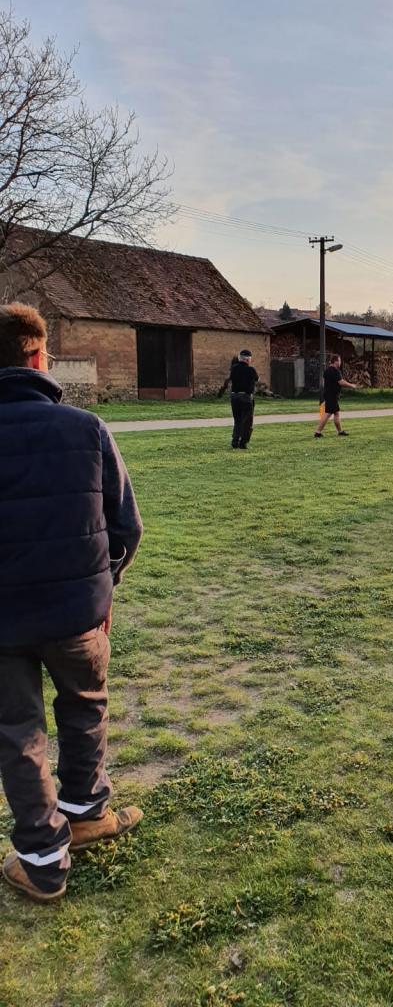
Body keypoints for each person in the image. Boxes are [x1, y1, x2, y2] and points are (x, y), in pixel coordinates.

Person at [0, 303, 144, 902]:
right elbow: (126, 526)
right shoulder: (87, 428)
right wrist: (104, 585)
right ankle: (85, 810)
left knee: (17, 733)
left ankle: (43, 858)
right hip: (78, 610)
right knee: (85, 708)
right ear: (39, 356)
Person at [314, 353, 357, 437]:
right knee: (328, 413)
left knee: (336, 413)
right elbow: (341, 382)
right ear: (335, 361)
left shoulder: (327, 371)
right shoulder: (335, 371)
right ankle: (318, 432)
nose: (340, 362)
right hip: (332, 395)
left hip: (328, 394)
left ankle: (340, 431)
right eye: (339, 360)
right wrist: (351, 385)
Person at [228, 349, 259, 450]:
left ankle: (235, 441)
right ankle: (243, 442)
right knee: (247, 421)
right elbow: (256, 379)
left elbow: (231, 379)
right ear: (248, 359)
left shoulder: (233, 369)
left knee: (237, 420)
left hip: (234, 396)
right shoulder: (251, 370)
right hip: (246, 397)